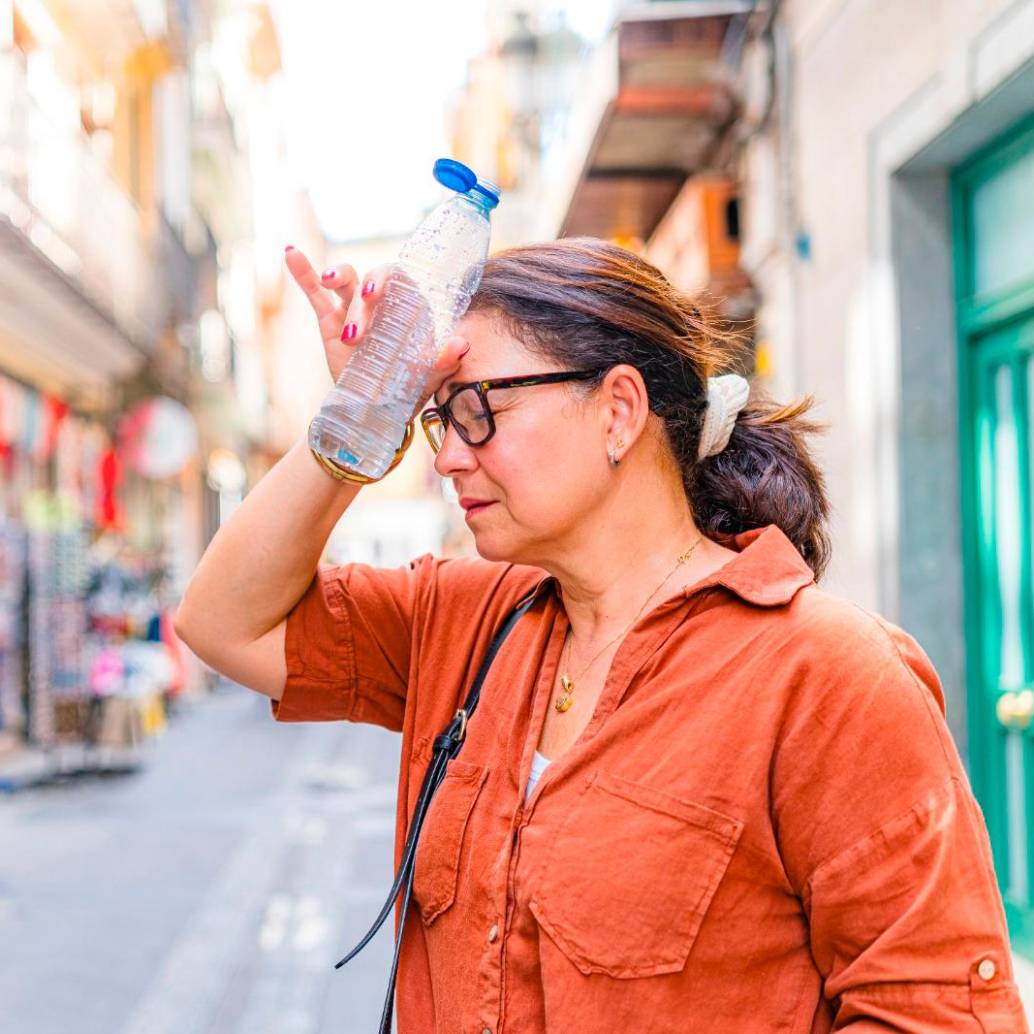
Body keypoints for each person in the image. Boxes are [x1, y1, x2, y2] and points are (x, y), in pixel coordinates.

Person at [174, 237, 1027, 1033]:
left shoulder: (826, 676)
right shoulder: (464, 620)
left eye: (477, 410)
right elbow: (223, 623)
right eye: (436, 418)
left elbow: (935, 1010)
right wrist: (358, 420)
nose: (444, 457)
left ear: (619, 410)